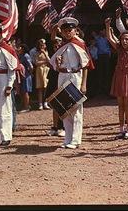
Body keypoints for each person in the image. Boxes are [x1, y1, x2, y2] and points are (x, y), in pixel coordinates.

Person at [49, 17, 94, 149]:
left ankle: (75, 140)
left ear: (75, 31)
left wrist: (83, 84)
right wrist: (57, 64)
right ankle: (67, 139)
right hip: (62, 75)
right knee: (64, 108)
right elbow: (54, 64)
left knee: (76, 109)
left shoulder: (79, 44)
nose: (67, 33)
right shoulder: (62, 46)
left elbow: (85, 65)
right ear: (61, 32)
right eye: (65, 31)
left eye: (70, 30)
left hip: (75, 76)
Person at [106, 17, 128, 139]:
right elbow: (109, 38)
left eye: (127, 39)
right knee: (120, 105)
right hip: (119, 77)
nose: (125, 41)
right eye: (123, 39)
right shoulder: (119, 49)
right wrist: (107, 25)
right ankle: (121, 129)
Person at [45, 35, 65, 137]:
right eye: (55, 46)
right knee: (53, 103)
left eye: (59, 45)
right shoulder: (53, 54)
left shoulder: (65, 54)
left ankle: (62, 127)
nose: (56, 47)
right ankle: (55, 126)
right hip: (53, 80)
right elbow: (50, 39)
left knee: (61, 104)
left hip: (62, 79)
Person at [33, 39, 50, 110]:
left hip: (46, 70)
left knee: (46, 87)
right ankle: (40, 103)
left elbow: (49, 61)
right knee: (40, 88)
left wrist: (45, 54)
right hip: (39, 70)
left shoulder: (46, 52)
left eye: (43, 45)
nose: (42, 46)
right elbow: (36, 63)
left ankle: (45, 102)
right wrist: (44, 61)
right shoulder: (37, 53)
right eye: (41, 45)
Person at [93, 29, 112, 95]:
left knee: (107, 72)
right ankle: (100, 89)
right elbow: (93, 34)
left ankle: (107, 89)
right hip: (100, 56)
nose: (103, 32)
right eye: (102, 30)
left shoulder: (107, 38)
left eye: (104, 31)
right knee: (100, 72)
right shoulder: (97, 38)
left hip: (106, 56)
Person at [18, 44, 33, 112]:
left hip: (26, 76)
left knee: (25, 91)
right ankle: (25, 105)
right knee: (22, 91)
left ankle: (27, 107)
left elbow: (31, 66)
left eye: (20, 47)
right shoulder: (21, 56)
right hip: (22, 76)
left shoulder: (26, 56)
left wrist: (30, 73)